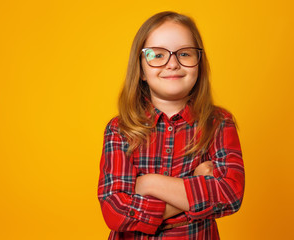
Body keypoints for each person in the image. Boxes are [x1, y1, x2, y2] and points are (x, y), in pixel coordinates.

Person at [97, 11, 245, 239]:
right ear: (141, 69)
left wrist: (148, 184)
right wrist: (194, 185)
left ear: (199, 63)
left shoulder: (218, 123)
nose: (172, 64)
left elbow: (229, 195)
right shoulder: (121, 129)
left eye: (184, 53)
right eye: (157, 55)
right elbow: (115, 212)